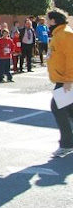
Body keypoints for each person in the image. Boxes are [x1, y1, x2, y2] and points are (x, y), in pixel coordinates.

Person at [45, 9, 73, 158]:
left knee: (57, 107)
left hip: (66, 80)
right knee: (69, 110)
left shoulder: (66, 34)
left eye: (47, 19)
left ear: (53, 21)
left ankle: (66, 144)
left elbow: (71, 58)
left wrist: (69, 80)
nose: (45, 21)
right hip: (62, 79)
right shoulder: (58, 34)